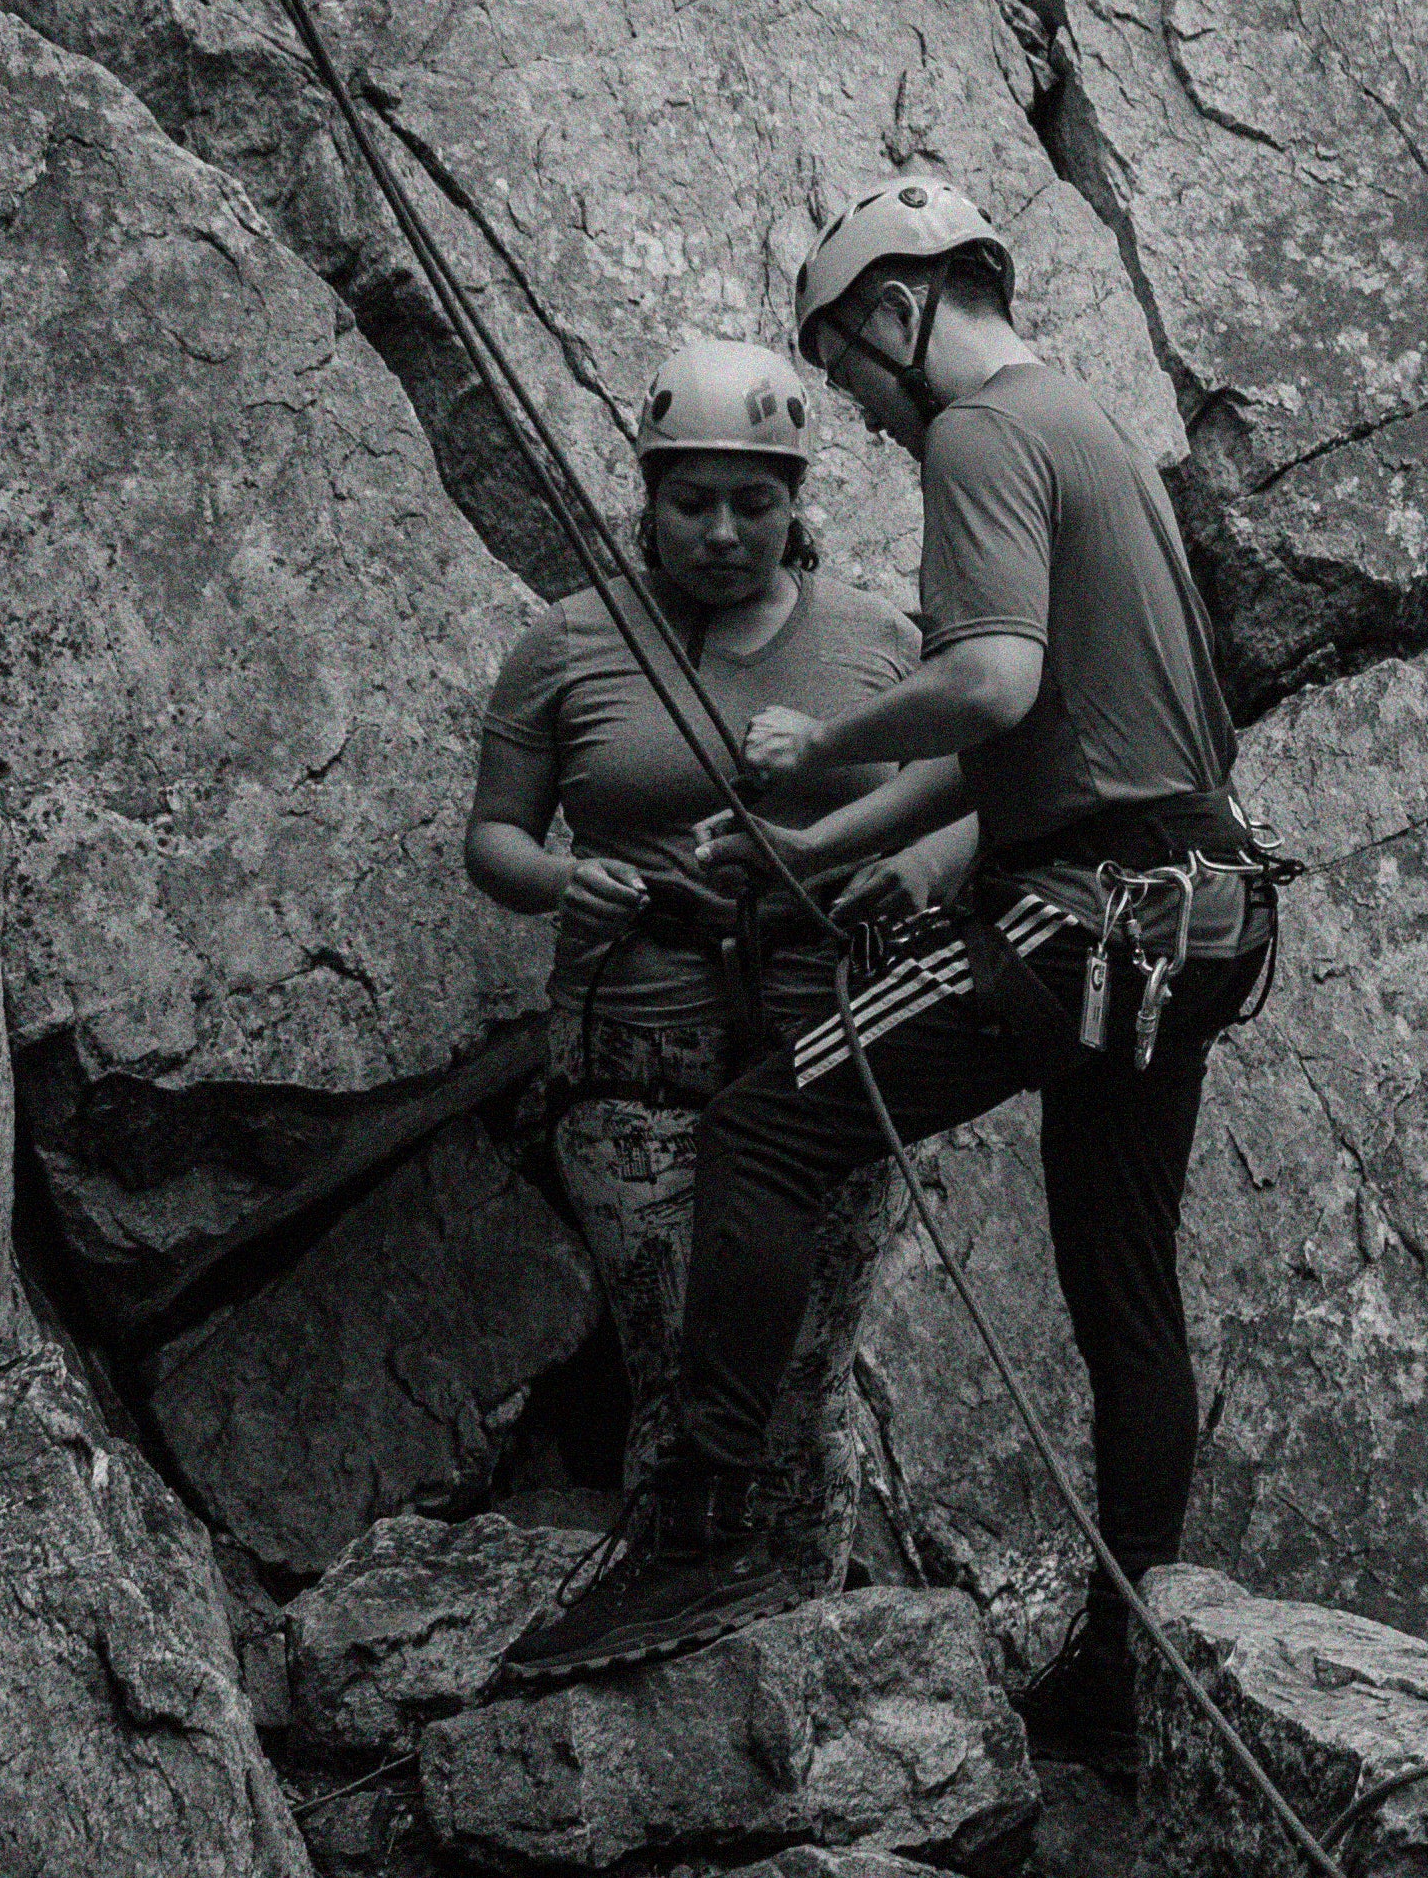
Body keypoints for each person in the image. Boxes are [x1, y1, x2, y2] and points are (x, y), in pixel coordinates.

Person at [494, 178, 1279, 1779]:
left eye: (848, 364)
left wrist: (817, 738)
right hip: (1192, 907)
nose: (854, 403)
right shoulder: (1088, 426)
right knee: (1125, 1297)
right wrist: (810, 834)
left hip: (1098, 904)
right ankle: (1129, 1678)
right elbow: (1024, 733)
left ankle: (702, 1526)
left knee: (771, 1125)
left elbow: (987, 680)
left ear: (901, 310)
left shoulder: (985, 433)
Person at [462, 338, 942, 1558]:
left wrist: (904, 873)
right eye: (691, 502)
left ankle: (800, 1623)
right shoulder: (569, 644)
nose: (721, 532)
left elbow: (969, 791)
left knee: (804, 1372)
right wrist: (568, 880)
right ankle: (672, 1622)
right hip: (633, 1043)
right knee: (679, 1365)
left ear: (795, 506)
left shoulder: (881, 644)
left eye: (753, 503)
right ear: (648, 499)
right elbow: (495, 840)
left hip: (822, 1041)